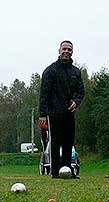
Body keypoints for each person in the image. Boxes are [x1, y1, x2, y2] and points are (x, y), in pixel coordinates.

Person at [39, 40, 84, 179]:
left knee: (69, 142)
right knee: (55, 142)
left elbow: (81, 92)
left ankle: (67, 170)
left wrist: (76, 102)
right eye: (64, 49)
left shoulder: (76, 72)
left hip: (69, 114)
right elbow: (44, 93)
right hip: (53, 113)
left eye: (69, 49)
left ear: (72, 52)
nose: (66, 51)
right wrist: (42, 114)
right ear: (59, 51)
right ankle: (55, 172)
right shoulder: (50, 70)